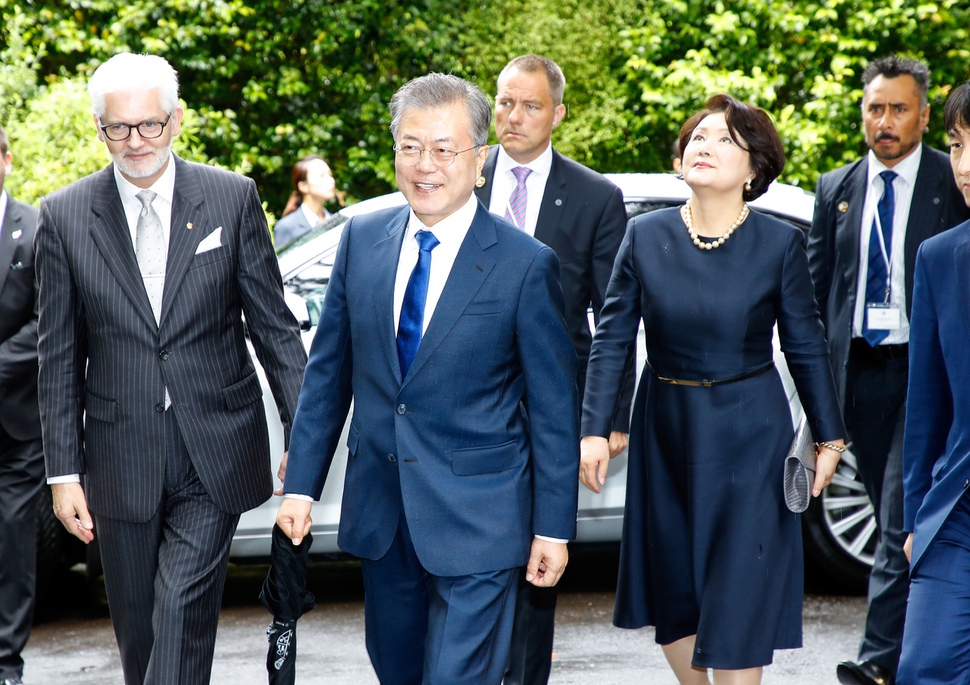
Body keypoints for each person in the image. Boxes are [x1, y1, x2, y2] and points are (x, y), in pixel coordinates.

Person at [276, 72, 580, 685]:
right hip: (384, 522)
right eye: (411, 147)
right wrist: (301, 486)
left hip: (483, 524)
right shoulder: (361, 240)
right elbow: (328, 375)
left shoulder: (525, 265)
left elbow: (552, 411)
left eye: (445, 148)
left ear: (480, 159)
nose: (426, 164)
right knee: (400, 673)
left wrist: (553, 527)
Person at [35, 53, 307, 685]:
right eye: (118, 128)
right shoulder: (65, 215)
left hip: (215, 448)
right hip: (116, 454)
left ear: (177, 120)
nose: (135, 142)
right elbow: (56, 357)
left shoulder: (231, 197)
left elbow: (274, 329)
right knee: (140, 633)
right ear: (98, 128)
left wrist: (306, 438)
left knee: (182, 610)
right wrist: (62, 473)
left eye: (149, 125)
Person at [581, 93, 846, 685]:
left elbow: (806, 344)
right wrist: (594, 429)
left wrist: (829, 438)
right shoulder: (644, 236)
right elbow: (613, 340)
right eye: (698, 136)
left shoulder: (779, 245)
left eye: (725, 139)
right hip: (665, 428)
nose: (705, 145)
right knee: (674, 583)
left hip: (750, 431)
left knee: (739, 583)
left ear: (754, 170)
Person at [807, 55, 970, 685]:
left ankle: (879, 662)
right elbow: (820, 296)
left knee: (905, 518)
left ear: (923, 115)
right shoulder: (836, 189)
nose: (886, 120)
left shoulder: (945, 181)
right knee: (888, 519)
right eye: (875, 107)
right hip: (863, 375)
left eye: (899, 108)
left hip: (927, 376)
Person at [472, 53, 631, 685]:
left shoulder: (594, 197)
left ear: (557, 114)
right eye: (505, 102)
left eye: (530, 105)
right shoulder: (459, 170)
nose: (512, 116)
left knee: (539, 559)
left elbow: (615, 320)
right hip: (463, 400)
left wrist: (607, 419)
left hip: (549, 407)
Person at [896, 81, 970, 685]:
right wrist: (916, 522)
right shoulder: (940, 257)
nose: (964, 166)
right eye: (956, 144)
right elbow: (925, 410)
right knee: (925, 667)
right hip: (957, 512)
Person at [0, 124, 42, 685]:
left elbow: (48, 320)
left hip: (18, 424)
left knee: (13, 545)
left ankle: (7, 662)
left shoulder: (35, 227)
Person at [273, 153, 337, 248]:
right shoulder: (286, 227)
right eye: (321, 175)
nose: (330, 180)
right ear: (303, 186)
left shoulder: (337, 222)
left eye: (330, 175)